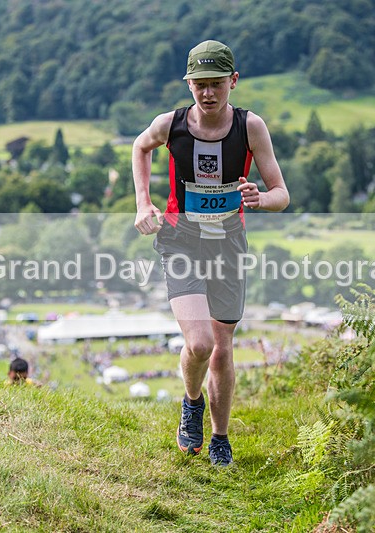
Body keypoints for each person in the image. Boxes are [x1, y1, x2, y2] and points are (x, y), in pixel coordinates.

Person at [132, 40, 289, 466]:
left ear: (233, 81)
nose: (208, 93)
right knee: (200, 343)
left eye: (216, 83)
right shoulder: (171, 124)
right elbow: (140, 147)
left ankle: (220, 438)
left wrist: (261, 198)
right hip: (180, 240)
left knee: (222, 347)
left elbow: (282, 194)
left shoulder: (250, 127)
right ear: (188, 84)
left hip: (228, 244)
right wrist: (143, 203)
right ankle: (191, 402)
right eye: (199, 84)